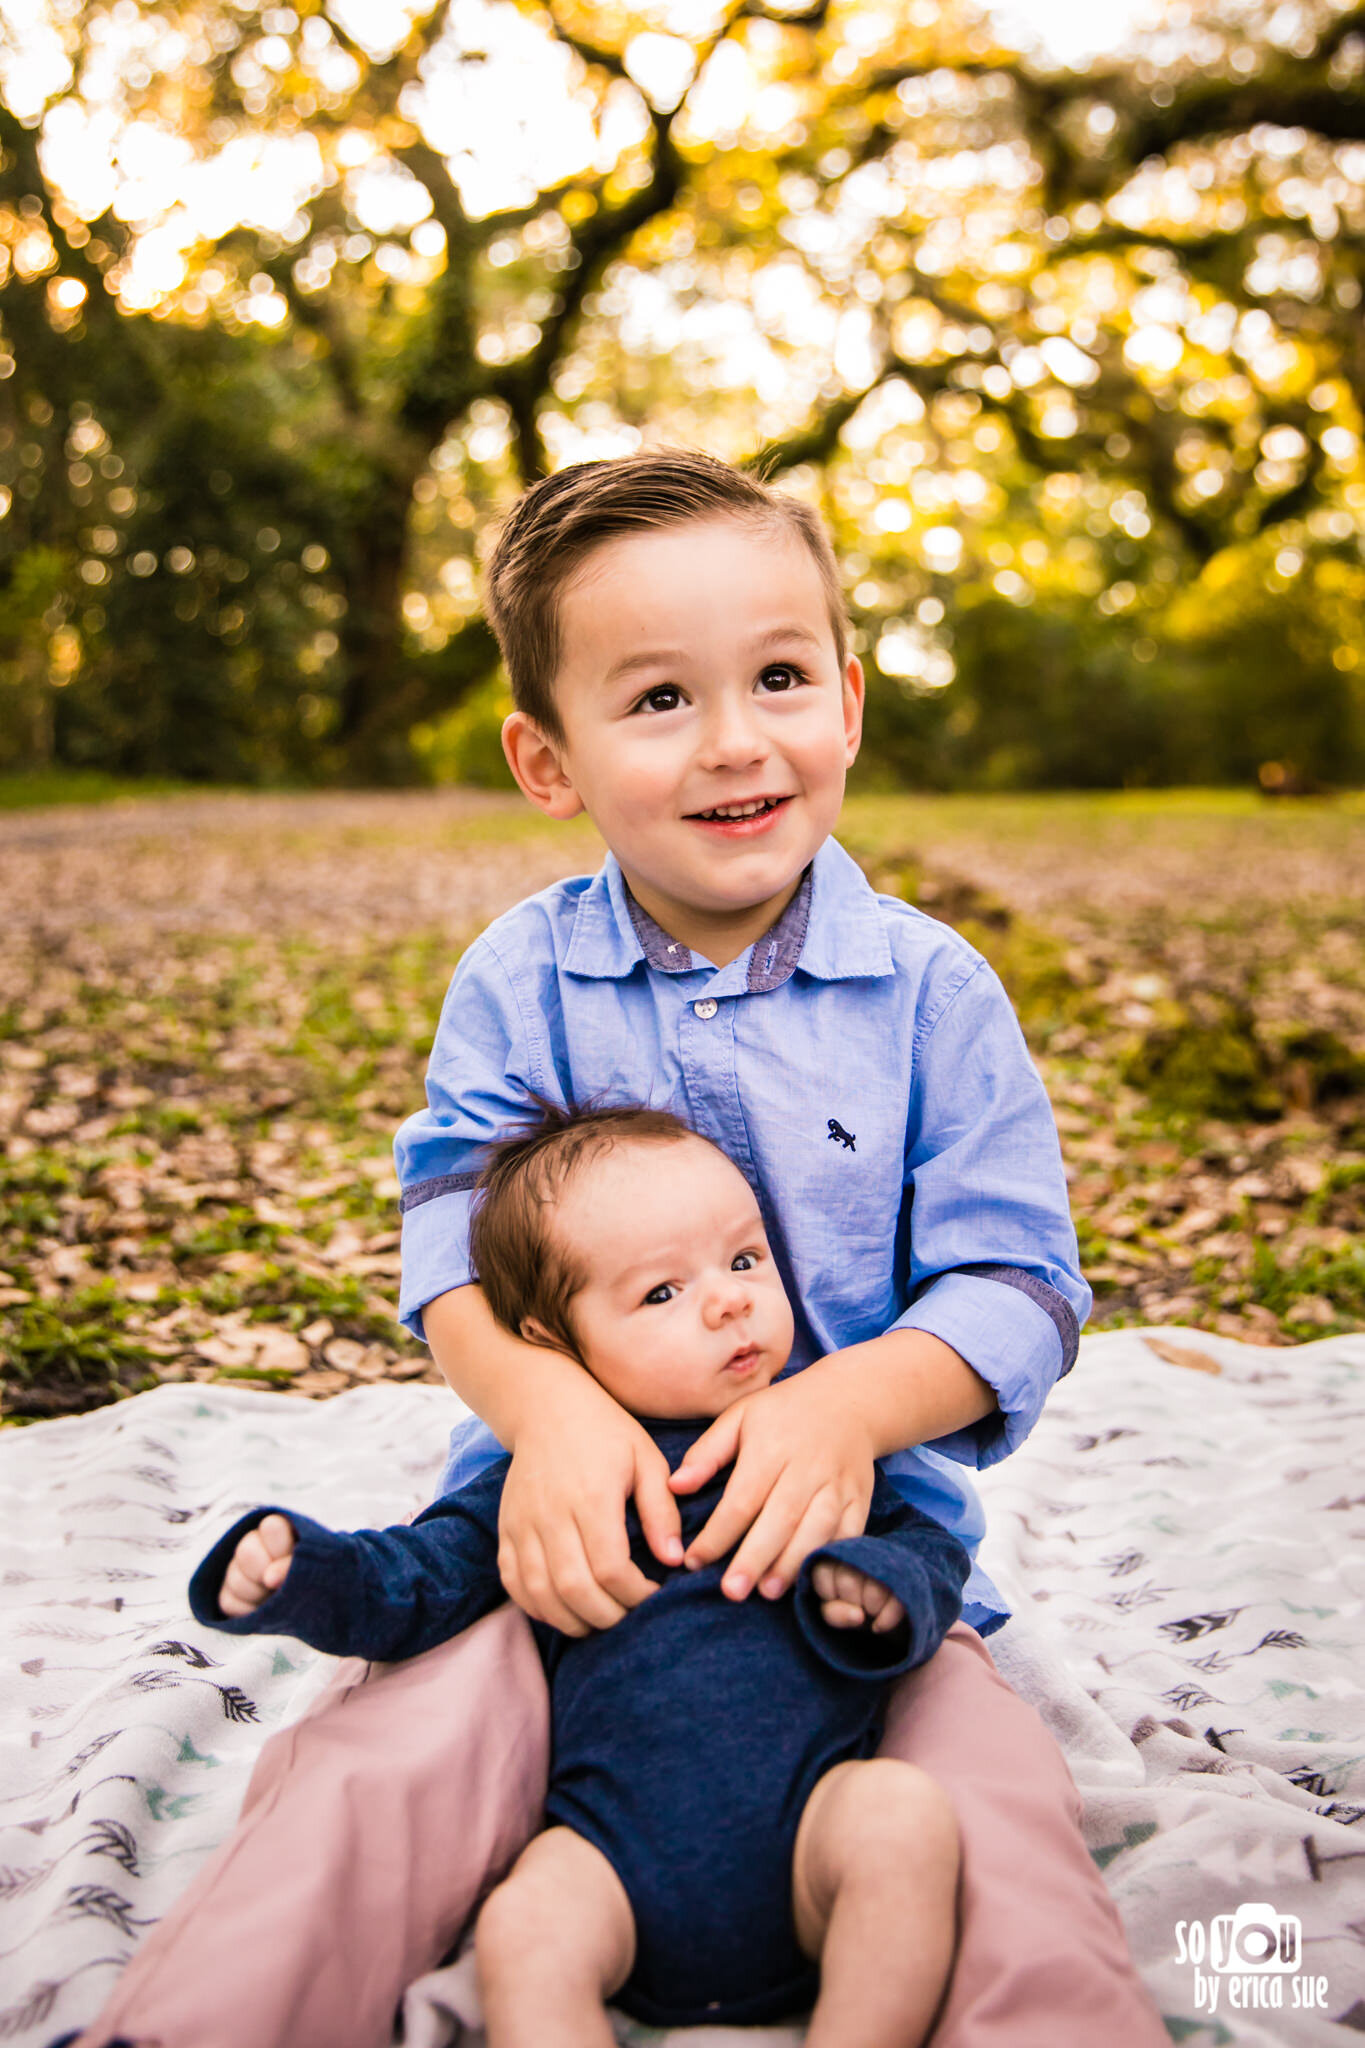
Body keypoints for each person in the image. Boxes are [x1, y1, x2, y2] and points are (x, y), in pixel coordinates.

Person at [73, 447, 1169, 2048]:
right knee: (375, 1770)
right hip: (562, 1545)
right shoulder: (522, 983)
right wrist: (557, 1418)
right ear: (547, 755)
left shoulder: (933, 994)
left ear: (849, 704)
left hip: (865, 1562)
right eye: (658, 700)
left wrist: (842, 1410)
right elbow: (448, 1245)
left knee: (990, 1821)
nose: (736, 742)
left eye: (780, 678)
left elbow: (1021, 1285)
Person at [189, 1103, 971, 2048]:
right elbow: (418, 1582)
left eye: (743, 1260)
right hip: (611, 1867)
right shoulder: (553, 1485)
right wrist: (302, 1573)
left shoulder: (812, 1455)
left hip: (814, 1837)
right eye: (659, 1294)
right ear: (554, 1343)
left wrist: (876, 1588)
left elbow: (931, 1553)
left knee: (906, 1820)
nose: (728, 1301)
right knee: (523, 1925)